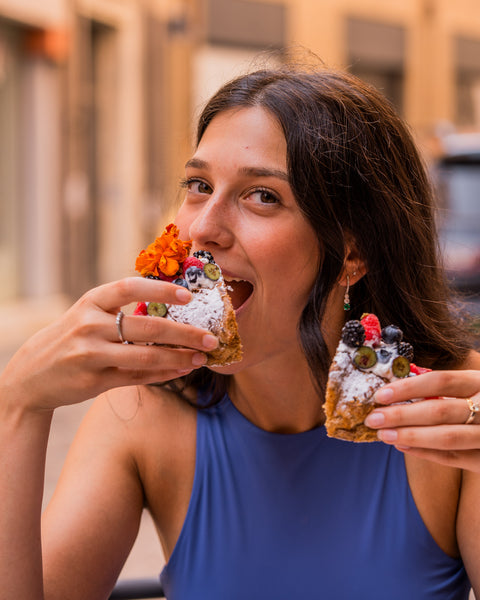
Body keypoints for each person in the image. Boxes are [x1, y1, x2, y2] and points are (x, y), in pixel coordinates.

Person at [1, 64, 480, 600]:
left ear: (354, 251)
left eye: (263, 197)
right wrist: (17, 405)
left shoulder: (456, 410)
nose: (203, 226)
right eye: (200, 185)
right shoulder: (142, 414)